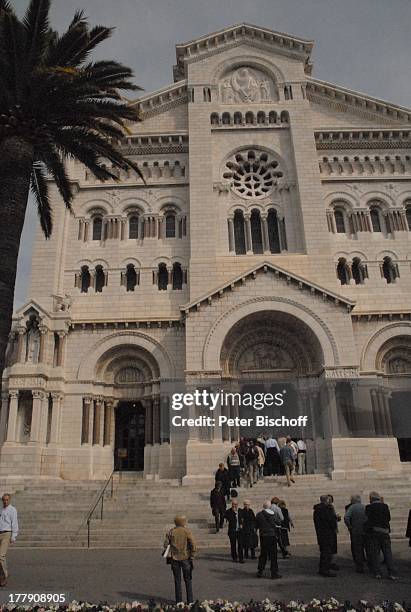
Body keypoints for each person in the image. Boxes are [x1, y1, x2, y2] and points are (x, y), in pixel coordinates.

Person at [365, 491, 398, 580]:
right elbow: (388, 518)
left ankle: (377, 573)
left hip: (375, 531)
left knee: (375, 553)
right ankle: (392, 573)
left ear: (371, 499)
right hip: (385, 531)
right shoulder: (385, 506)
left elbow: (367, 519)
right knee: (387, 552)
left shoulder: (369, 507)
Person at [164, 515, 196, 604]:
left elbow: (165, 544)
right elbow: (193, 543)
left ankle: (179, 601)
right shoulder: (187, 531)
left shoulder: (171, 531)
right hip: (185, 558)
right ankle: (190, 601)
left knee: (177, 580)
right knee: (188, 580)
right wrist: (192, 554)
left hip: (175, 558)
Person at [255, 500, 282, 579]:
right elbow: (278, 522)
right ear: (270, 506)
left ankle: (260, 571)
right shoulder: (272, 514)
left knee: (263, 554)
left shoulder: (259, 515)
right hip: (272, 535)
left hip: (263, 536)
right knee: (273, 555)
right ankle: (274, 573)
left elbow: (256, 525)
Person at [313, 495, 338, 577]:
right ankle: (325, 570)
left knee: (324, 552)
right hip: (327, 533)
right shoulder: (326, 509)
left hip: (321, 533)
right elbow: (331, 521)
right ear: (326, 501)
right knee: (327, 552)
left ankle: (322, 568)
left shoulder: (317, 510)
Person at [344, 494, 367, 573]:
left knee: (358, 549)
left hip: (356, 531)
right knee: (368, 548)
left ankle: (360, 567)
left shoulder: (352, 507)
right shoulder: (365, 507)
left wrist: (350, 526)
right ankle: (371, 565)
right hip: (365, 530)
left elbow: (346, 517)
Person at [0, 493, 18, 587]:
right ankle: (4, 571)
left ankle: (4, 576)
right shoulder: (1, 510)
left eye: (7, 500)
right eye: (4, 500)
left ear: (9, 500)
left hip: (7, 533)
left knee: (1, 555)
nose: (5, 501)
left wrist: (14, 535)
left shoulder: (12, 510)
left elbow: (14, 522)